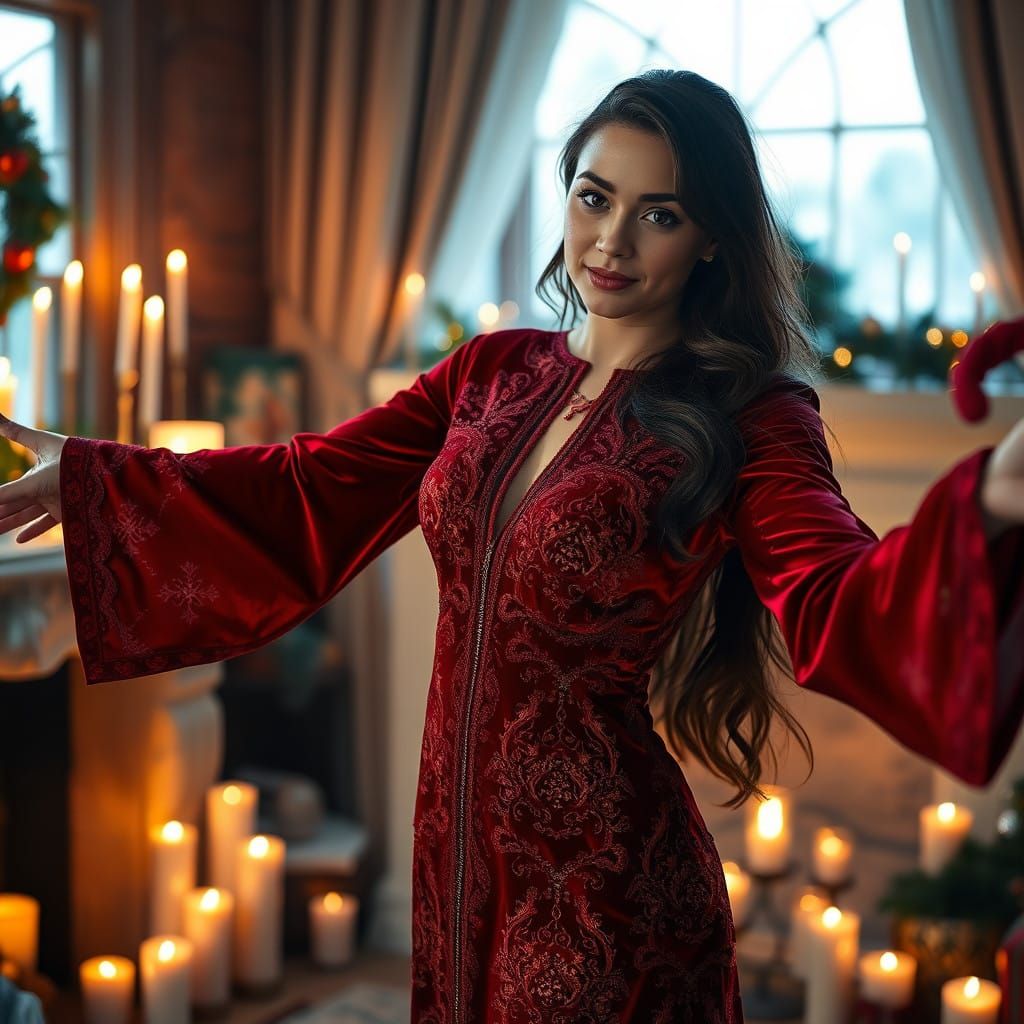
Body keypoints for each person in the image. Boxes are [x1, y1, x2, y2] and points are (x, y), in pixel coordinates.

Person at [1, 68, 1023, 1023]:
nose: (611, 242)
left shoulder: (751, 412)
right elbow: (311, 484)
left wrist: (995, 499)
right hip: (454, 852)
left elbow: (833, 589)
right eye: (593, 196)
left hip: (605, 882)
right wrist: (101, 483)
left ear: (710, 239)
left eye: (657, 214)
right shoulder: (490, 370)